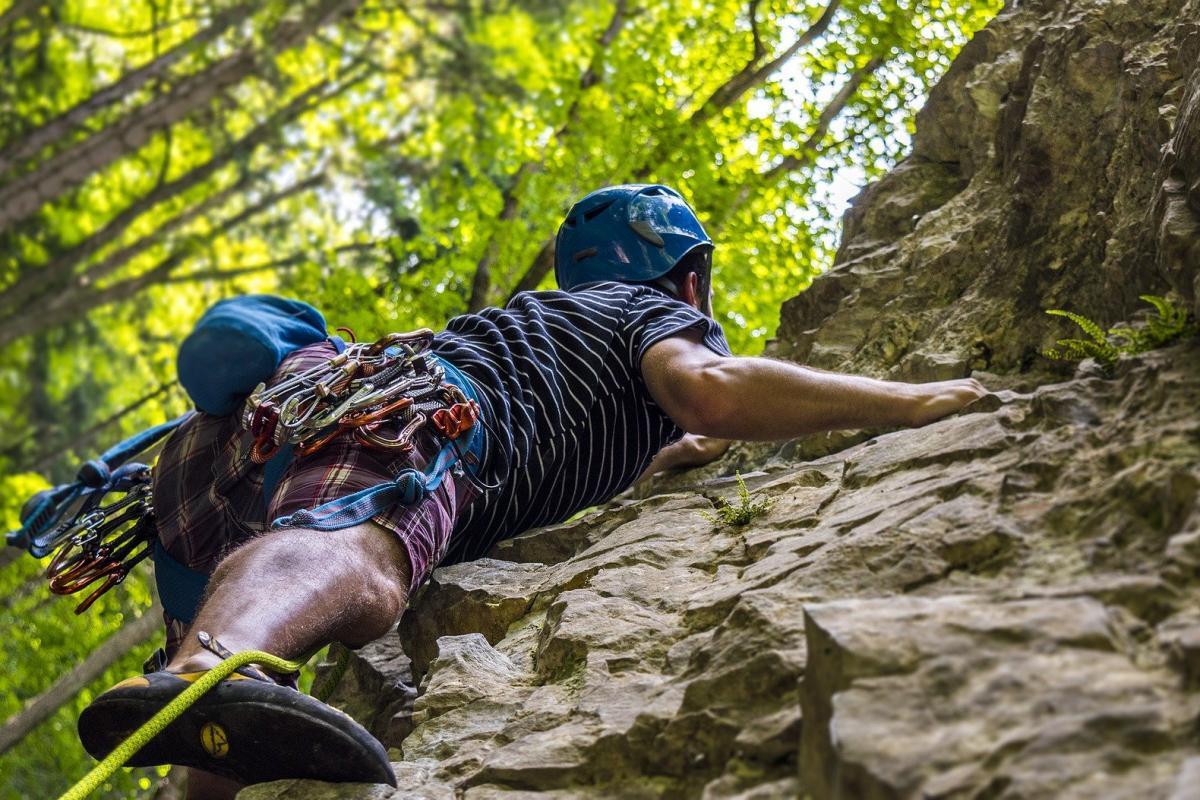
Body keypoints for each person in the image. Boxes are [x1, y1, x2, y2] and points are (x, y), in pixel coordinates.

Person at [78, 184, 986, 798]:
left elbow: (669, 441)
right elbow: (708, 389)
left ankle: (199, 713)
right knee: (365, 553)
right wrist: (913, 401)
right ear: (691, 279)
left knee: (229, 705)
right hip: (413, 412)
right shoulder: (650, 314)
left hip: (214, 465)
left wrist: (682, 452)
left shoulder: (555, 337)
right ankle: (206, 668)